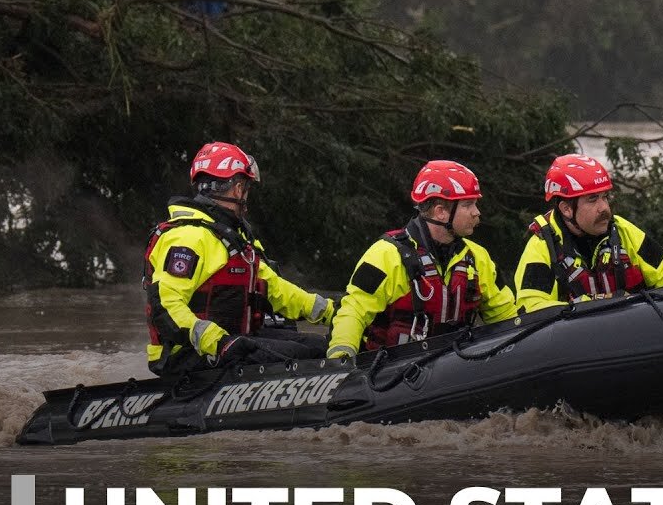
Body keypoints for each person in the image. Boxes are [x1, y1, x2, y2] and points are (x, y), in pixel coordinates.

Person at [143, 142, 335, 375]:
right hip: (190, 353)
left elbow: (275, 289)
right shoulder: (188, 237)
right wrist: (218, 342)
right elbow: (165, 304)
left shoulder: (234, 238)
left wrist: (332, 312)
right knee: (309, 355)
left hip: (232, 342)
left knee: (320, 346)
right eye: (246, 188)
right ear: (237, 188)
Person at [325, 160, 517, 360]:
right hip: (389, 372)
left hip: (456, 368)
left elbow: (507, 316)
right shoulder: (386, 254)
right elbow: (353, 310)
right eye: (468, 204)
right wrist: (341, 355)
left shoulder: (478, 258)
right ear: (440, 212)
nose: (477, 212)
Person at [514, 154, 663, 313]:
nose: (604, 208)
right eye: (592, 199)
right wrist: (591, 305)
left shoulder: (623, 231)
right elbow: (532, 307)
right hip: (575, 343)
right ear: (567, 209)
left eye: (605, 197)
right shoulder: (542, 247)